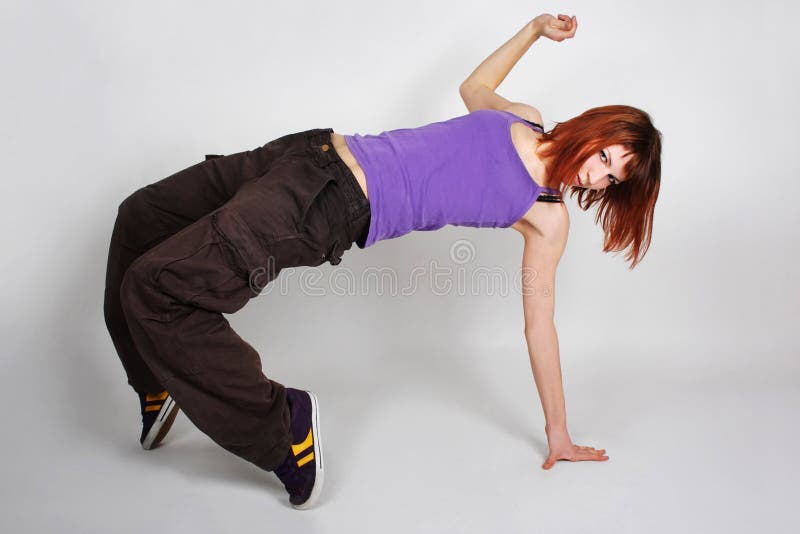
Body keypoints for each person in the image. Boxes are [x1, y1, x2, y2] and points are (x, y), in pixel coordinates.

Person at [103, 13, 662, 509]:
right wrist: (535, 31)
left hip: (327, 206)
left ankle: (286, 431)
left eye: (611, 178)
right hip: (309, 151)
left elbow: (540, 325)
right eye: (605, 156)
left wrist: (558, 431)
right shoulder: (526, 117)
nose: (597, 176)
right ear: (594, 128)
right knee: (142, 217)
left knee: (157, 290)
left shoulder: (547, 217)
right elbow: (474, 86)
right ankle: (157, 381)